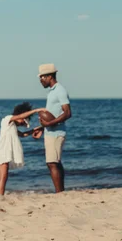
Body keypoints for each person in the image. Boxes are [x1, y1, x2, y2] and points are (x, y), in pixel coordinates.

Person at [0, 102, 45, 195]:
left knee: (2, 176)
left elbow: (23, 134)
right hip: (2, 150)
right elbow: (20, 116)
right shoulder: (7, 119)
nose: (22, 124)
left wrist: (36, 129)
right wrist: (37, 110)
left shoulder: (12, 126)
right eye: (24, 121)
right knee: (3, 176)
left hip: (4, 151)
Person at [38, 63, 72, 193]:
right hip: (50, 132)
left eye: (42, 77)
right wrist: (42, 128)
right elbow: (53, 114)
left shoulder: (60, 90)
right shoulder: (52, 92)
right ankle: (61, 191)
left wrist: (49, 124)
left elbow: (67, 113)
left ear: (49, 76)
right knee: (55, 162)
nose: (40, 80)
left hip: (56, 133)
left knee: (52, 163)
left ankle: (59, 193)